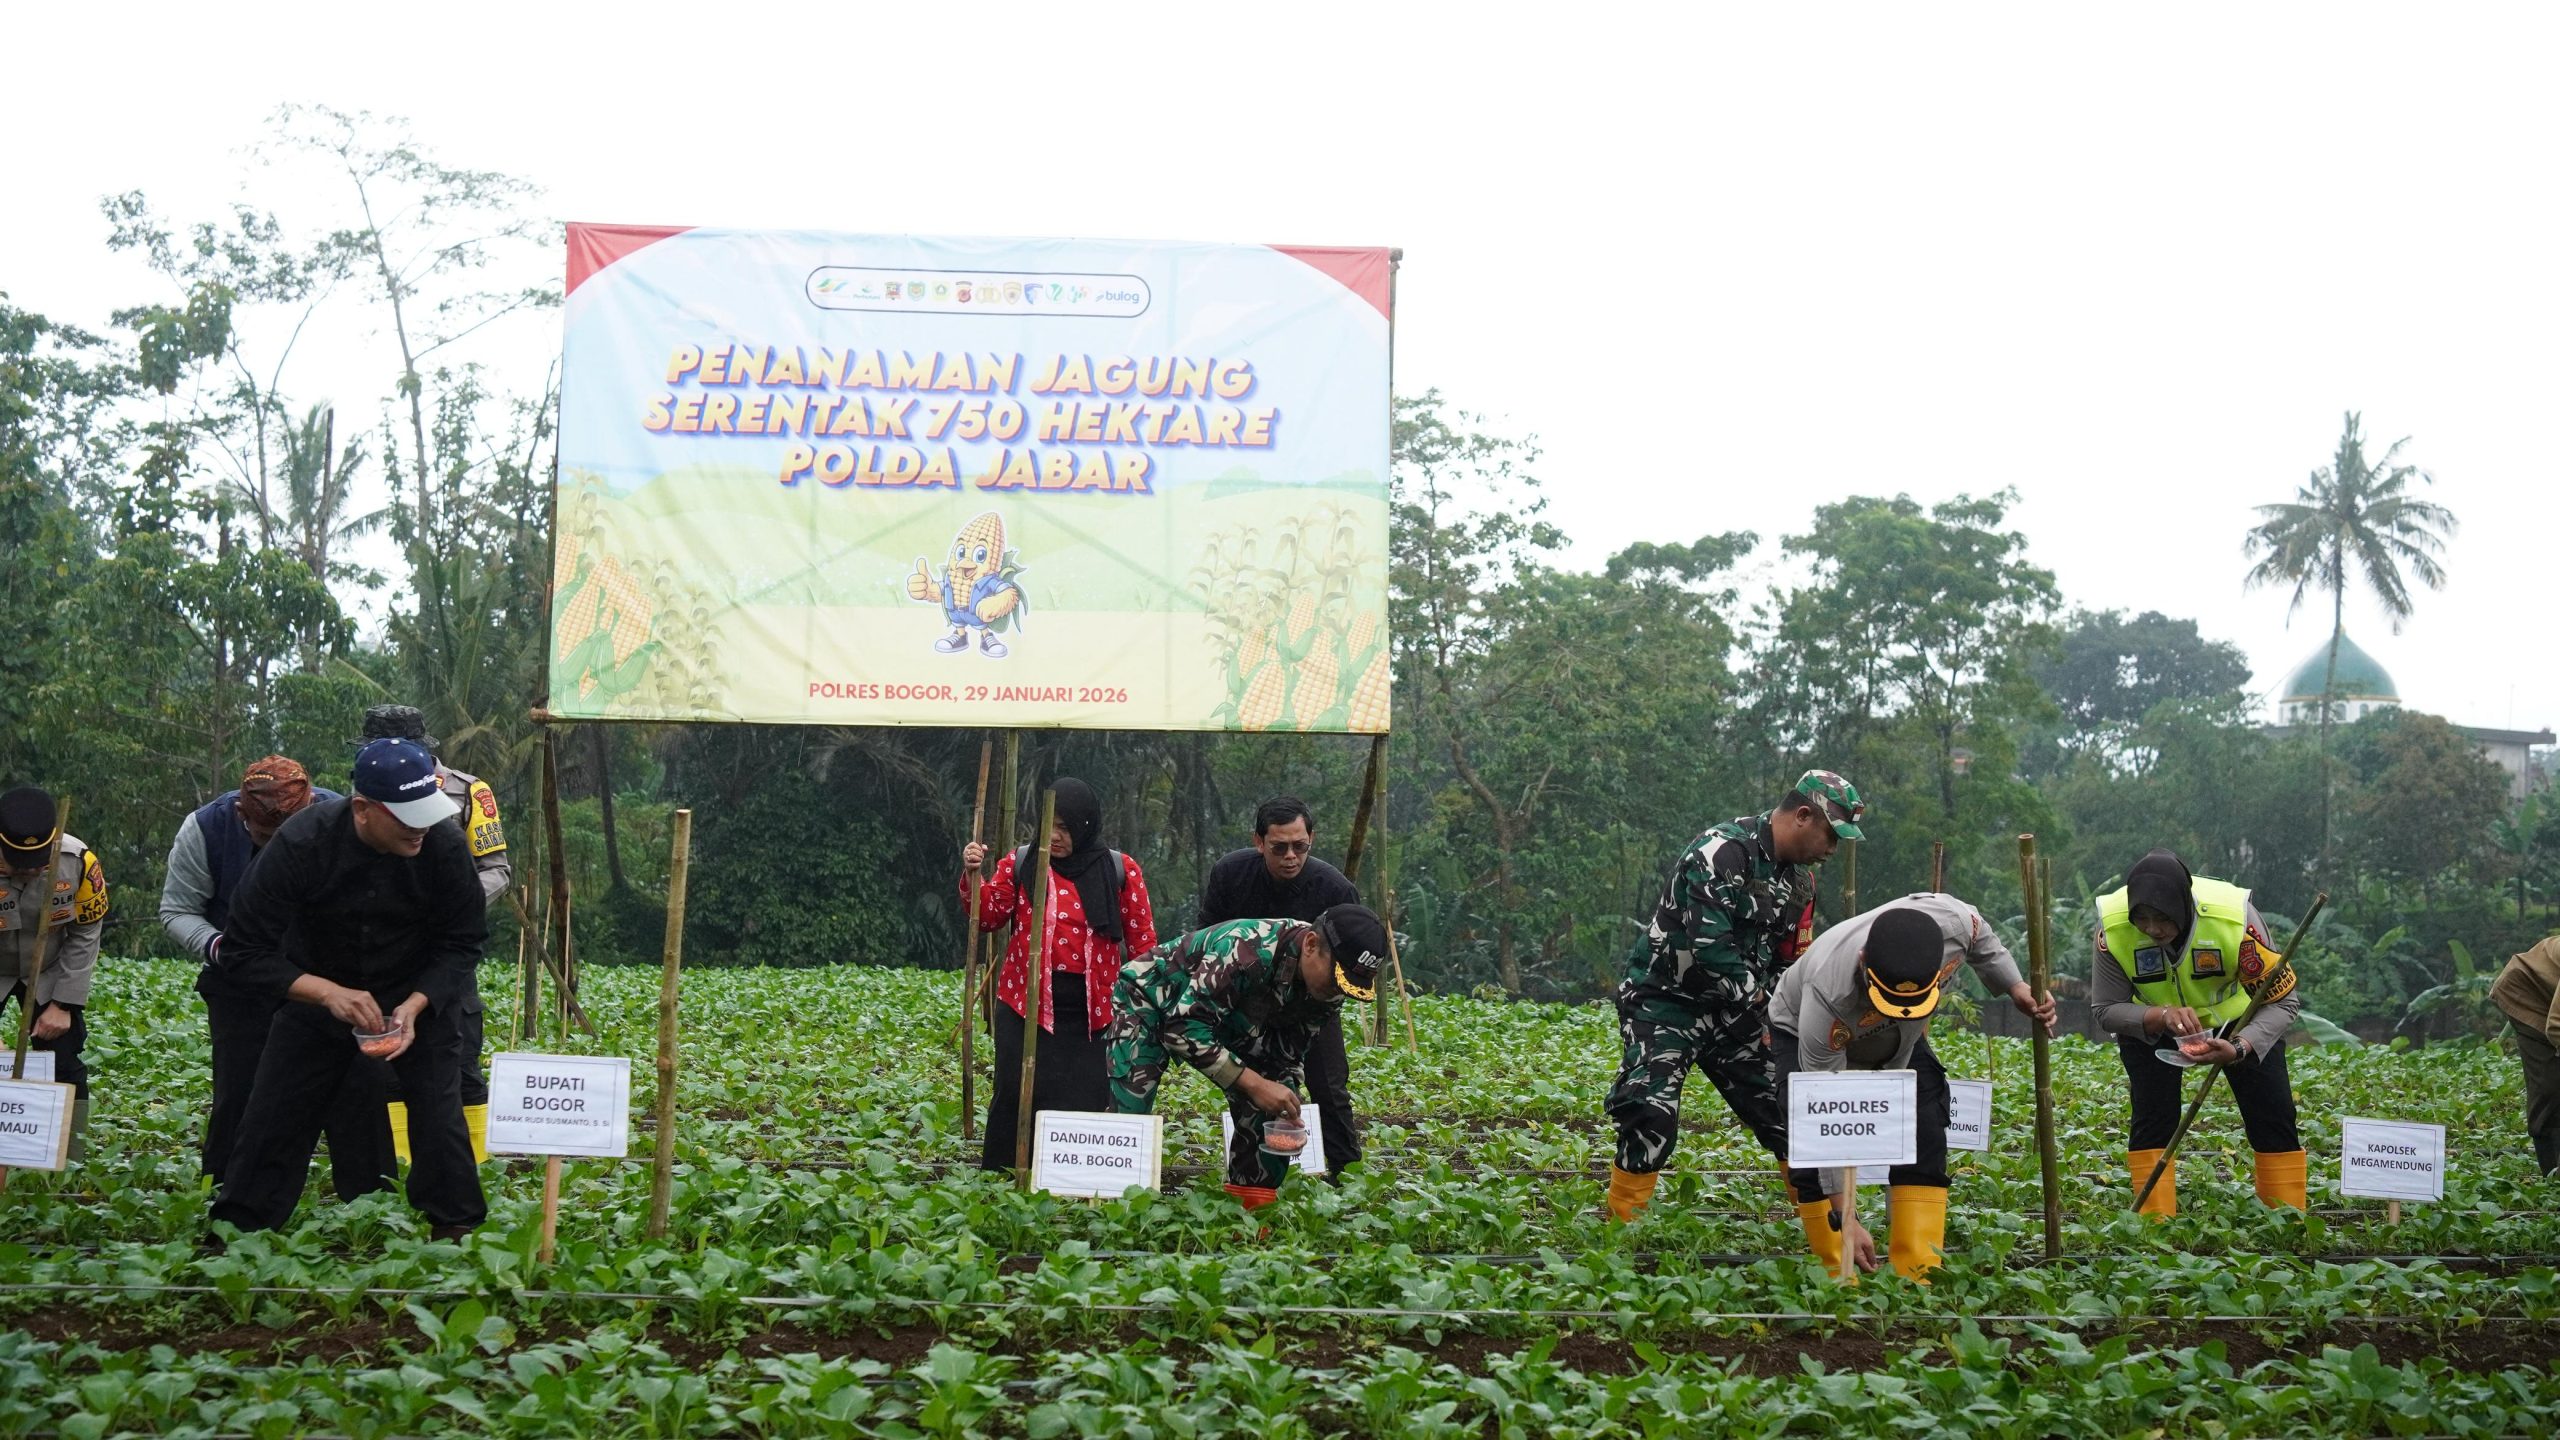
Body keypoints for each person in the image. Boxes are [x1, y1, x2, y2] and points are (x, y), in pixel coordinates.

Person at [206, 739, 487, 1237]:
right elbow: (243, 950)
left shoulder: (442, 845)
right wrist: (325, 993)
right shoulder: (301, 844)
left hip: (415, 995)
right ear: (362, 809)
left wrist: (417, 1004)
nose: (421, 828)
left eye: (427, 814)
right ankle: (239, 1233)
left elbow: (462, 942)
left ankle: (457, 1232)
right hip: (315, 993)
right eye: (407, 818)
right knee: (274, 1115)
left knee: (438, 1112)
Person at [1605, 769, 1861, 1224]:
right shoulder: (1721, 851)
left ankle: (1832, 1245)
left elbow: (1790, 961)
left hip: (1739, 1014)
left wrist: (1782, 1024)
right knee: (1649, 1112)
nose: (1832, 850)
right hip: (1666, 1004)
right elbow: (1710, 949)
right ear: (1803, 815)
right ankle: (1621, 1238)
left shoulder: (1801, 884)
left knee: (1793, 1115)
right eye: (1831, 836)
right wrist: (1765, 1010)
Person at [1768, 895, 2057, 1282]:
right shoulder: (1828, 992)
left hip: (1899, 1041)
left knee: (1926, 1122)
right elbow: (1825, 1117)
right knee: (1806, 1144)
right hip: (1811, 1030)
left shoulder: (1954, 924)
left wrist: (2016, 986)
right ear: (1864, 963)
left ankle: (1916, 1273)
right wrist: (1847, 1216)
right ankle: (1837, 1276)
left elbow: (1981, 935)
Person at [161, 756, 395, 1192]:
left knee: (356, 1090)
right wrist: (222, 948)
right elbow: (178, 910)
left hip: (330, 980)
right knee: (242, 1092)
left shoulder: (348, 821)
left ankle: (371, 1202)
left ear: (312, 806)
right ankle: (230, 1197)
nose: (281, 848)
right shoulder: (205, 828)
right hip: (241, 983)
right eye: (267, 836)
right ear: (240, 813)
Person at [1105, 904, 1388, 1211]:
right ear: (1310, 945)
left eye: (1346, 987)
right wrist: (1254, 1084)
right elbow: (1182, 1029)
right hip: (1150, 1000)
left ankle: (1249, 1213)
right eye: (1335, 980)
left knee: (1275, 1103)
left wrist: (1287, 1099)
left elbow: (1289, 1053)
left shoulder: (1328, 991)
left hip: (1229, 1018)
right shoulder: (1246, 950)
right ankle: (1114, 1211)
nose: (1337, 992)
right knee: (1131, 1109)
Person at [2090, 848, 2305, 1216]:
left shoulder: (2235, 920)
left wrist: (2239, 1047)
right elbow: (2106, 1009)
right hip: (2153, 1022)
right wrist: (2160, 1016)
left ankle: (2286, 1218)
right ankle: (2153, 1223)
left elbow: (2283, 1002)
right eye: (2142, 919)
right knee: (2152, 1117)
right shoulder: (2112, 928)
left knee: (2273, 1113)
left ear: (2182, 907)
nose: (2152, 929)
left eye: (2162, 919)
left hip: (2237, 1019)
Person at [961, 777, 1158, 1172]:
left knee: (1085, 1096)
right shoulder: (1021, 863)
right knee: (1016, 1093)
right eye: (1049, 825)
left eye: (1065, 828)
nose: (1054, 836)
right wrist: (973, 874)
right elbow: (988, 916)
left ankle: (1073, 1181)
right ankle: (1005, 1178)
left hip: (1094, 1012)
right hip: (1025, 1003)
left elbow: (1143, 945)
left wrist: (1149, 1006)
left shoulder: (1120, 870)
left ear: (1085, 826)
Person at [354, 705, 507, 1152]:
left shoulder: (470, 791)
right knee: (381, 1059)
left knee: (461, 1058)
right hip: (379, 949)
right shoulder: (362, 788)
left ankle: (475, 1160)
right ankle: (396, 1164)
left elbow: (497, 870)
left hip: (445, 949)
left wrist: (454, 908)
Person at [1195, 796, 1366, 1175]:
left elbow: (1349, 960)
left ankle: (1346, 1176)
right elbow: (1205, 938)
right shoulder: (1231, 874)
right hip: (1246, 1002)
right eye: (1279, 847)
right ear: (1259, 842)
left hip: (1310, 1002)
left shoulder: (1334, 890)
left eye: (1300, 846)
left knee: (1329, 1086)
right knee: (1249, 1087)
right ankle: (1255, 1178)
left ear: (1312, 839)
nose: (1291, 856)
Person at [1, 787, 107, 1153]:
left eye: (37, 861)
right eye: (18, 862)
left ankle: (71, 1156)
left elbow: (85, 932)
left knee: (64, 1062)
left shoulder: (79, 861)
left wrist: (63, 1004)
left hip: (47, 970)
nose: (30, 870)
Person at [2489, 935, 2560, 1176]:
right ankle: (2551, 1172)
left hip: (2551, 991)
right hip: (2527, 991)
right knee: (2550, 1086)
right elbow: (2556, 1026)